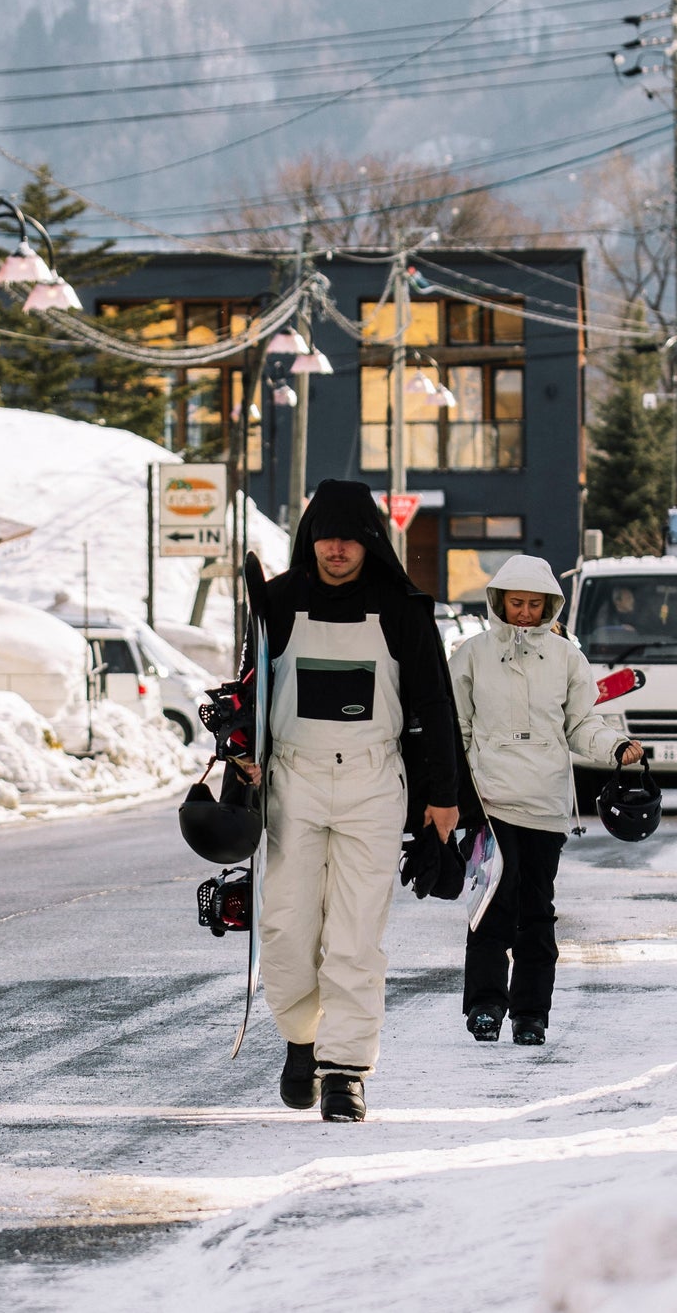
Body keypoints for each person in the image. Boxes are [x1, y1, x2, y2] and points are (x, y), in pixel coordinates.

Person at [237, 479, 461, 1123]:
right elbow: (248, 691)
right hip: (292, 782)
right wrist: (242, 752)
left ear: (369, 541)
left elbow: (435, 705)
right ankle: (302, 1038)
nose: (337, 550)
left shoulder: (402, 608)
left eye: (349, 538)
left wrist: (442, 796)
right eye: (326, 537)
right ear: (311, 539)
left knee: (356, 934)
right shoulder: (276, 603)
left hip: (372, 780)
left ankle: (344, 1071)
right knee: (286, 927)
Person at [448, 554, 643, 1046]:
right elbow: (457, 728)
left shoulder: (567, 659)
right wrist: (461, 791)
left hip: (546, 804)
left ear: (550, 605)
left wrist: (615, 746)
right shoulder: (470, 655)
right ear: (498, 601)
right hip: (490, 803)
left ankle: (531, 1014)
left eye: (536, 604)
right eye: (517, 602)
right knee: (493, 904)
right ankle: (486, 1006)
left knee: (537, 911)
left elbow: (581, 725)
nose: (526, 613)